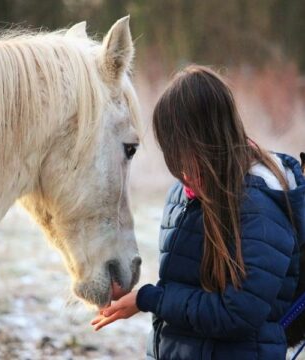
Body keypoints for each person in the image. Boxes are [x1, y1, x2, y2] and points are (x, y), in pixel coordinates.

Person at [91, 65, 305, 360]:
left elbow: (236, 314)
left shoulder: (261, 208)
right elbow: (181, 289)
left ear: (211, 140)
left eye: (184, 151)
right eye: (172, 153)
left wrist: (149, 299)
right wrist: (131, 290)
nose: (180, 169)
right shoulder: (183, 195)